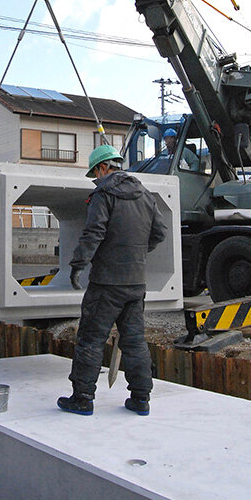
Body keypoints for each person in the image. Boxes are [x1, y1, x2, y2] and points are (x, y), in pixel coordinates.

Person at [58, 144, 168, 416]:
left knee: (91, 339)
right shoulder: (145, 194)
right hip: (135, 283)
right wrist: (138, 254)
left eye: (95, 174)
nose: (96, 179)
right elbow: (159, 233)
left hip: (107, 283)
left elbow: (94, 232)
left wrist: (77, 264)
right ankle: (141, 399)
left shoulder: (103, 193)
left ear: (102, 167)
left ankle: (82, 398)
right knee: (134, 341)